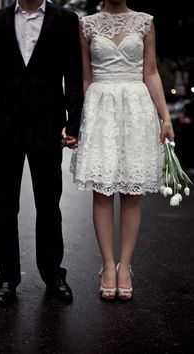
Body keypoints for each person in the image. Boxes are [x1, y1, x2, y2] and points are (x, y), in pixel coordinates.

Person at [0, 0, 83, 306]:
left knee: (49, 205)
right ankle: (7, 278)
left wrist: (74, 125)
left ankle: (53, 275)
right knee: (4, 207)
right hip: (5, 127)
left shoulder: (66, 19)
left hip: (49, 127)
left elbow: (73, 77)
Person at [70, 0, 174, 301]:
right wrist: (80, 122)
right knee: (102, 190)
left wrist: (165, 117)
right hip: (100, 107)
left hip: (136, 109)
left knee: (131, 193)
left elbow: (151, 72)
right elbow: (86, 77)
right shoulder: (87, 24)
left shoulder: (145, 21)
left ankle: (125, 266)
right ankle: (107, 266)